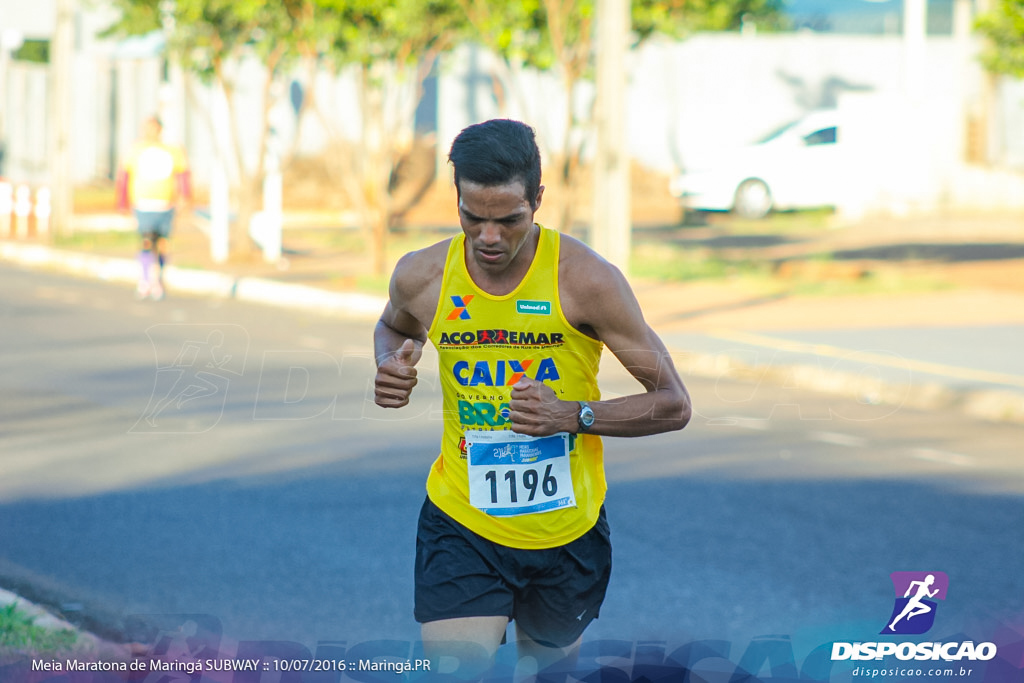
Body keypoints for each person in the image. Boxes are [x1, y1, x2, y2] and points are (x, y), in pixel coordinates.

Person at [373, 119, 691, 679]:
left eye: (509, 220)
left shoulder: (586, 280)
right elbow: (393, 327)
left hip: (566, 533)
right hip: (461, 520)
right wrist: (390, 363)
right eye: (473, 218)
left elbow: (672, 403)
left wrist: (570, 416)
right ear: (457, 201)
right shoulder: (422, 276)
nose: (489, 238)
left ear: (538, 200)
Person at [117, 115, 192, 300]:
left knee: (162, 244)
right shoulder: (136, 150)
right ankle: (144, 280)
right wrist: (122, 201)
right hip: (143, 204)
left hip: (165, 205)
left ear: (160, 130)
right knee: (146, 241)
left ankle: (158, 279)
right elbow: (125, 176)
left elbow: (183, 174)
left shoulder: (172, 150)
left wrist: (185, 197)